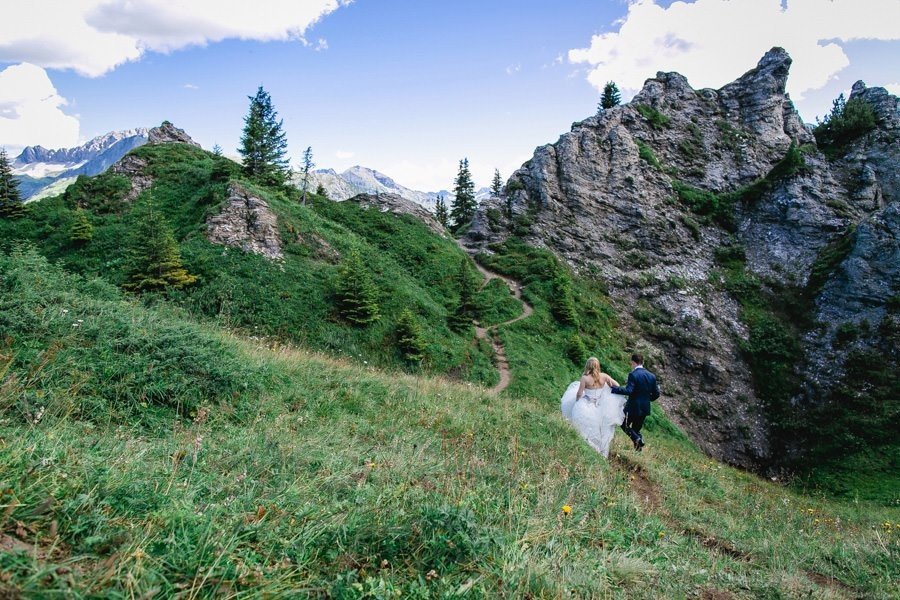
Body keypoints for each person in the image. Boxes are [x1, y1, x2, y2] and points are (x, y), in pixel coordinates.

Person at [561, 357, 623, 458]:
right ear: (598, 366)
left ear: (588, 366)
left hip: (587, 403)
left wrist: (576, 403)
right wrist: (606, 389)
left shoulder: (585, 378)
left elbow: (579, 393)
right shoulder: (604, 376)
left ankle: (585, 446)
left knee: (583, 426)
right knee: (600, 428)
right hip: (599, 405)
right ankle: (599, 449)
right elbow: (617, 385)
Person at [610, 353, 660, 451]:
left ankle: (637, 438)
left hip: (633, 407)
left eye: (631, 363)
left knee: (622, 422)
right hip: (645, 408)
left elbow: (629, 391)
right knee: (636, 430)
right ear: (643, 362)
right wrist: (647, 399)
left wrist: (615, 389)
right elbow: (657, 394)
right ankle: (638, 448)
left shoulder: (633, 375)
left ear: (633, 362)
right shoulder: (652, 376)